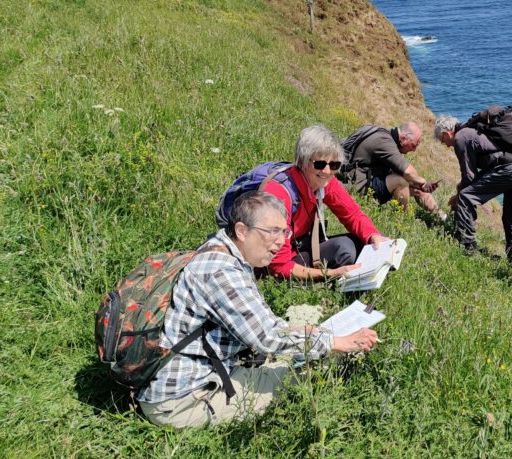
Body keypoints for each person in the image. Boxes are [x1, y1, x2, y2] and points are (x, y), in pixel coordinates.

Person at [137, 190, 379, 428]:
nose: (281, 241)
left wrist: (310, 332)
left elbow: (261, 325)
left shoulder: (221, 251)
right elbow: (267, 337)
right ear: (242, 231)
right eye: (272, 231)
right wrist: (338, 342)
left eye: (284, 231)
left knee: (299, 359)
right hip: (183, 401)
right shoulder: (222, 272)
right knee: (310, 371)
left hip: (190, 378)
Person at [253, 124, 391, 280]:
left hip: (298, 246)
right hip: (271, 264)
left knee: (378, 244)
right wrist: (329, 274)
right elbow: (278, 266)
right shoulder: (278, 194)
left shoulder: (324, 182)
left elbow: (352, 214)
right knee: (344, 250)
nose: (327, 171)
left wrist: (373, 235)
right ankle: (337, 288)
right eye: (319, 164)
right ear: (302, 161)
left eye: (334, 165)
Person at [432, 114, 512, 265]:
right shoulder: (474, 130)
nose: (446, 145)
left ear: (447, 133)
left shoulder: (461, 137)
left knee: (465, 197)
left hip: (509, 170)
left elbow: (469, 177)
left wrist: (458, 196)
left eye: (443, 141)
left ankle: (467, 247)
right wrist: (461, 188)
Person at [345, 121, 441, 214]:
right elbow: (408, 172)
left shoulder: (388, 137)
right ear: (403, 138)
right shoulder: (384, 141)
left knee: (416, 186)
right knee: (401, 182)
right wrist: (423, 182)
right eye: (413, 146)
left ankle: (440, 216)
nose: (414, 150)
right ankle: (403, 219)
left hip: (369, 177)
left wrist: (420, 185)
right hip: (358, 184)